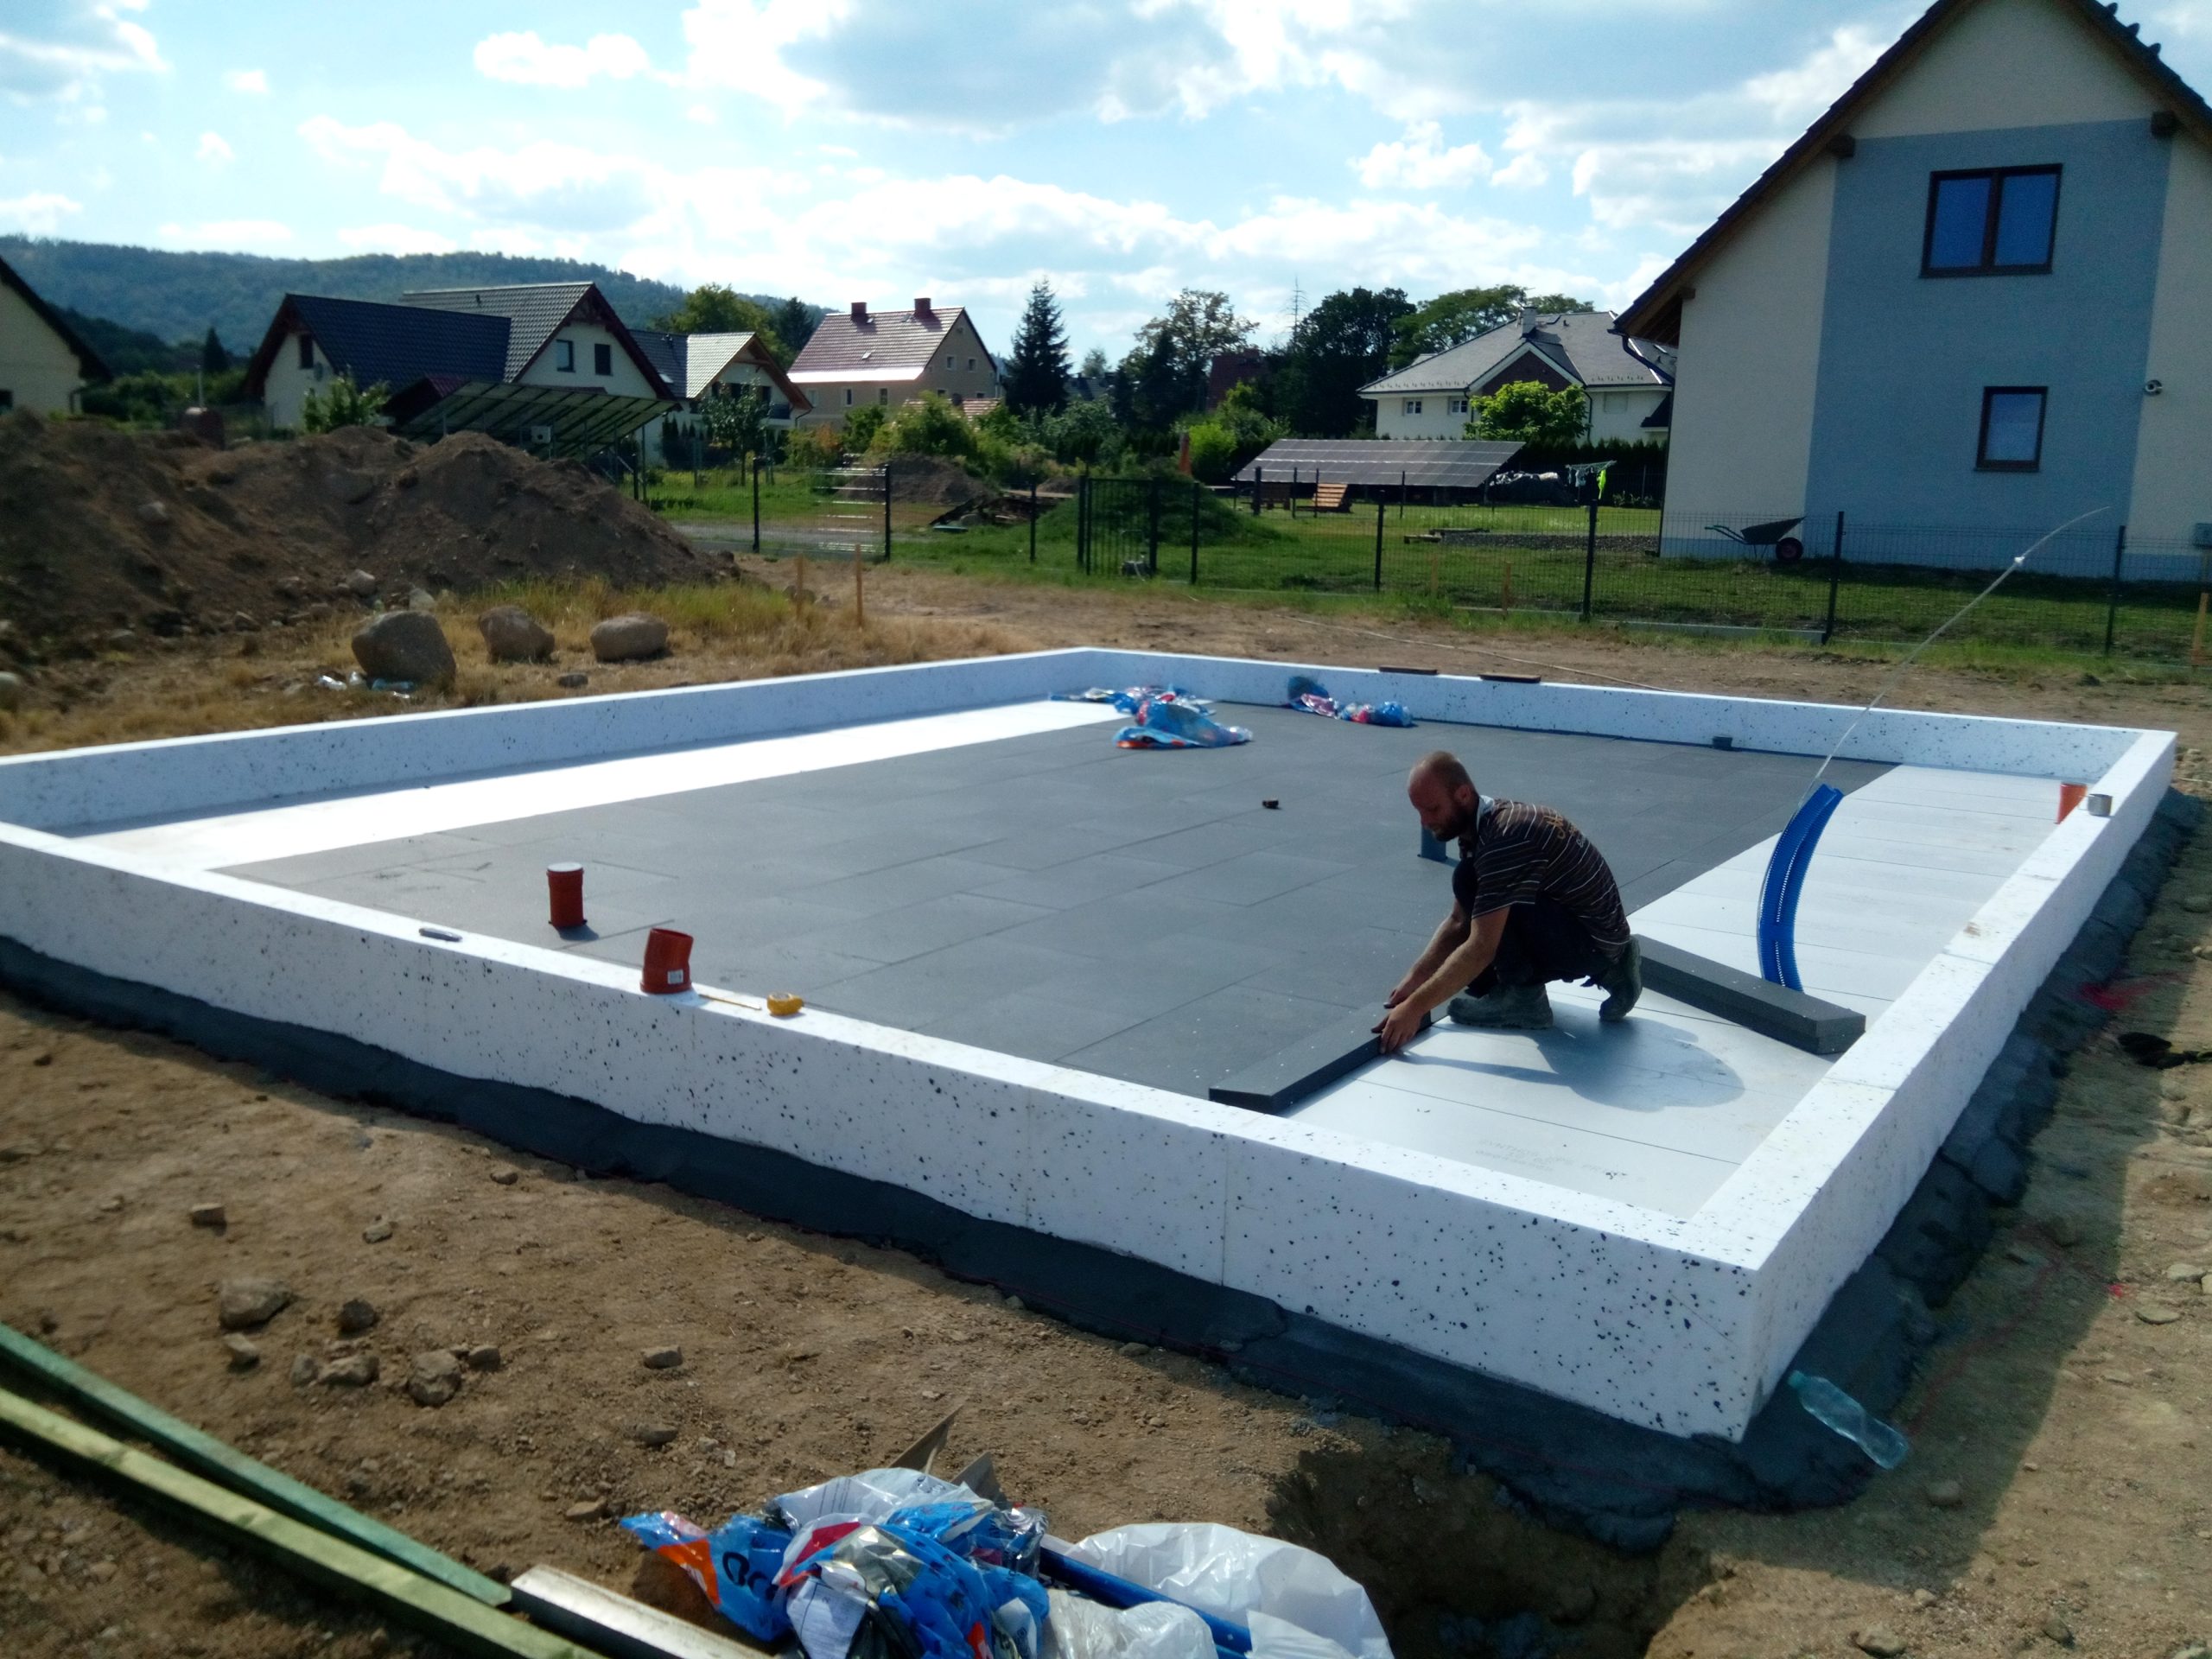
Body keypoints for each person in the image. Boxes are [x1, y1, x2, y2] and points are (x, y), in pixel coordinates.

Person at [1375, 750, 1640, 1051]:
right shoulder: (1486, 824)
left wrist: (1415, 1009)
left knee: (1479, 916)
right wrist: (1415, 979)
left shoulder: (1504, 840)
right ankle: (1614, 968)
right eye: (1419, 812)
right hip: (1593, 932)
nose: (1425, 822)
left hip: (1592, 943)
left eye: (1433, 809)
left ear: (1463, 794)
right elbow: (1459, 921)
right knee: (1470, 884)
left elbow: (1481, 948)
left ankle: (1525, 1002)